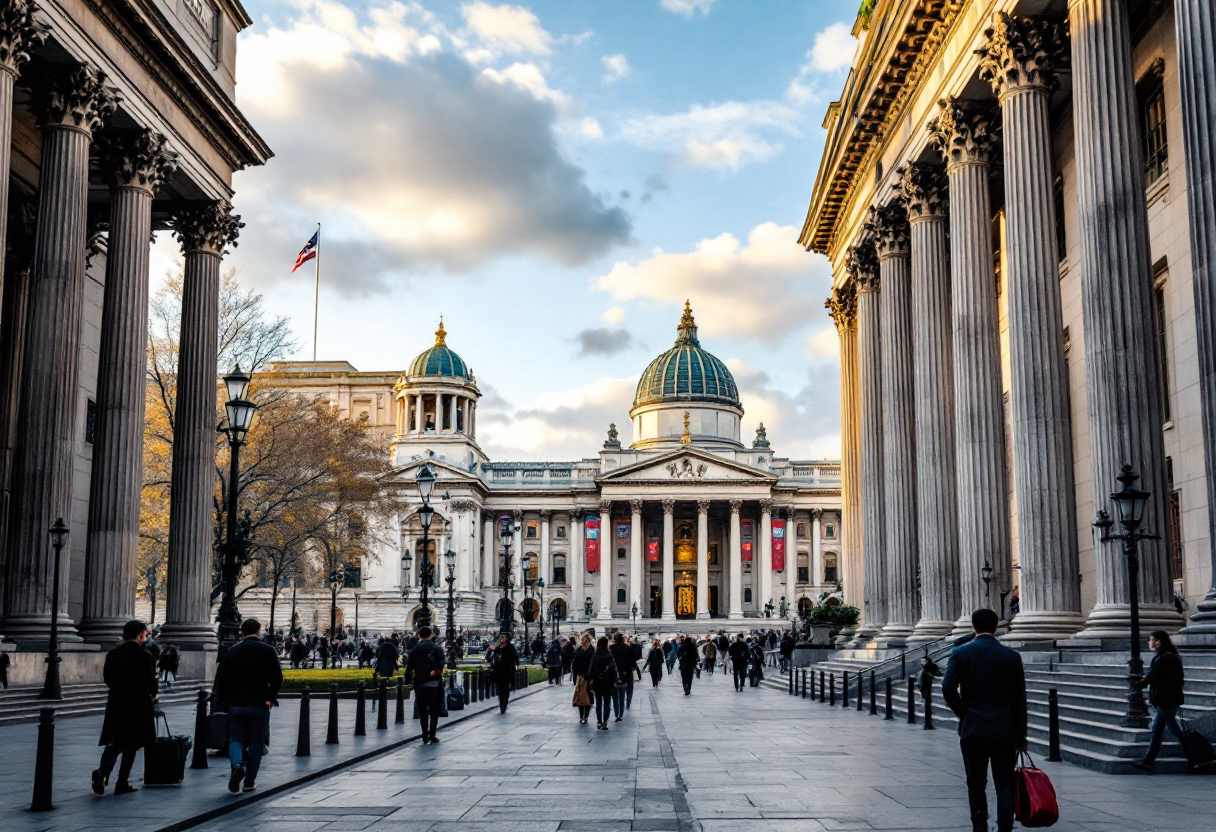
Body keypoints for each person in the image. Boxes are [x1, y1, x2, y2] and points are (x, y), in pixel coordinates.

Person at [942, 609, 1027, 832]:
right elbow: (1019, 699)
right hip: (1004, 729)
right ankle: (1005, 828)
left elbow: (948, 688)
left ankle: (979, 826)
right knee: (1005, 782)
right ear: (995, 627)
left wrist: (964, 713)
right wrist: (1022, 735)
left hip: (974, 729)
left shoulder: (960, 653)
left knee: (976, 783)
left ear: (973, 627)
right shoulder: (1011, 656)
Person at [214, 618, 283, 794]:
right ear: (259, 631)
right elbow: (277, 678)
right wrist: (270, 698)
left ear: (242, 632)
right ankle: (249, 781)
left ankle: (237, 765)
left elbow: (222, 680)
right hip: (259, 703)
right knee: (255, 742)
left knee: (236, 739)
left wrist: (225, 702)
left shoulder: (232, 651)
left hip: (236, 704)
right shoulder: (268, 650)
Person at [91, 620, 158, 796]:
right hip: (137, 703)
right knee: (131, 744)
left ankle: (101, 772)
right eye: (145, 633)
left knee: (116, 741)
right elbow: (150, 681)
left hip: (117, 701)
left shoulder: (113, 654)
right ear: (140, 634)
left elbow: (107, 678)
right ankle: (122, 782)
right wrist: (153, 694)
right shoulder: (144, 655)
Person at [1133, 630, 1187, 772]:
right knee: (1157, 729)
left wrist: (1139, 685)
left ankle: (1196, 755)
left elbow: (1152, 675)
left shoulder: (1165, 658)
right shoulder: (1165, 656)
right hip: (1167, 698)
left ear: (1158, 642)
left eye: (1151, 640)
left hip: (1166, 699)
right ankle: (1148, 761)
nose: (1150, 643)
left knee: (1174, 729)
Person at [406, 626, 447, 744]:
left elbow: (409, 668)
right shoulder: (436, 648)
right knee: (434, 710)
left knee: (422, 710)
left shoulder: (414, 650)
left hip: (419, 683)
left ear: (419, 635)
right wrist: (436, 675)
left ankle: (424, 734)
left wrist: (408, 682)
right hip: (433, 683)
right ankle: (432, 734)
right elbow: (441, 664)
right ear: (431, 635)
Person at [588, 637, 618, 729]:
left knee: (598, 702)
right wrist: (615, 678)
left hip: (597, 681)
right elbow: (614, 668)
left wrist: (590, 679)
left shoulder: (595, 655)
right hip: (607, 682)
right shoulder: (609, 655)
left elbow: (590, 669)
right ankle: (605, 721)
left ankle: (599, 721)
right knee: (607, 702)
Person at [490, 634, 519, 714]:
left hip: (507, 671)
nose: (502, 640)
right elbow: (493, 657)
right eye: (501, 638)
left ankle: (504, 704)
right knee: (499, 689)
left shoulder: (510, 648)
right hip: (499, 671)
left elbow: (515, 657)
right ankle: (501, 703)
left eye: (503, 638)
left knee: (505, 689)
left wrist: (516, 664)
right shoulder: (498, 648)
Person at [609, 633, 635, 721]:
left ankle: (617, 714)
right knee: (622, 694)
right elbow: (632, 661)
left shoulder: (611, 649)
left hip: (614, 675)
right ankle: (621, 713)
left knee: (615, 695)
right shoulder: (627, 648)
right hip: (626, 674)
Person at [571, 632, 595, 724]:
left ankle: (586, 716)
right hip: (581, 676)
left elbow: (593, 663)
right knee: (580, 697)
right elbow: (575, 662)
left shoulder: (592, 649)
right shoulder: (579, 650)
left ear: (588, 639)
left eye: (584, 638)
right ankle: (581, 716)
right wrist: (575, 674)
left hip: (589, 676)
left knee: (588, 697)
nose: (582, 640)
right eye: (582, 639)